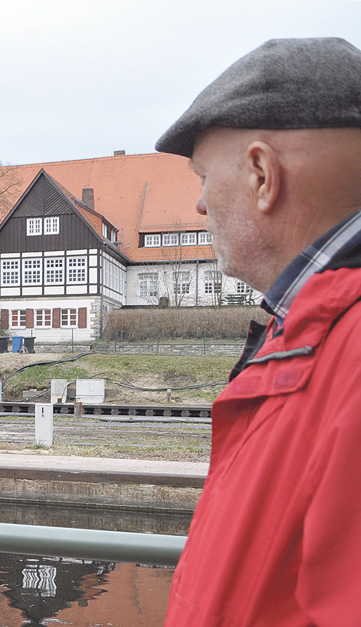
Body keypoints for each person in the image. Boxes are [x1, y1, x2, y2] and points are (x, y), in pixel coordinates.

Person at [155, 37, 361, 626]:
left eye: (202, 177)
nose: (198, 205)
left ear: (261, 174)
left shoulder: (344, 352)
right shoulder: (310, 335)